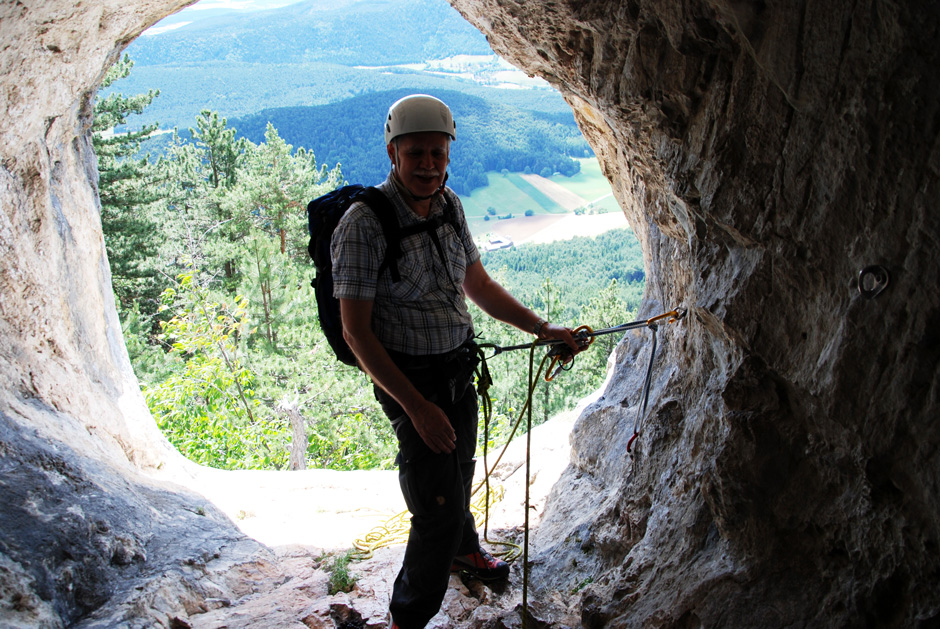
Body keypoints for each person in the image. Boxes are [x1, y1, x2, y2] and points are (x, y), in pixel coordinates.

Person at [331, 94, 583, 629]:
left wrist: (542, 329)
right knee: (435, 508)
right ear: (393, 152)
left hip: (457, 368)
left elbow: (479, 285)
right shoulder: (364, 223)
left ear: (449, 155)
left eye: (437, 154)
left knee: (460, 471)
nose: (427, 165)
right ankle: (408, 618)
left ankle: (465, 553)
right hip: (409, 380)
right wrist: (417, 408)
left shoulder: (449, 206)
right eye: (416, 153)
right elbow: (356, 331)